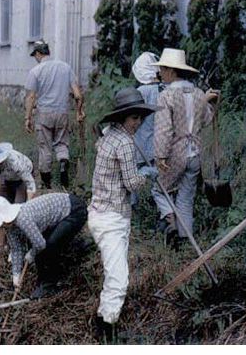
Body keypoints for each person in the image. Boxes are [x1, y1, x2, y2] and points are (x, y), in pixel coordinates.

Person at [87, 88, 156, 340]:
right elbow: (132, 183)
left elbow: (99, 142)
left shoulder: (108, 134)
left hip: (99, 211)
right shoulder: (125, 143)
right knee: (119, 278)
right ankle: (106, 330)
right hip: (111, 217)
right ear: (121, 118)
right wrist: (148, 176)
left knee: (114, 272)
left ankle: (104, 320)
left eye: (140, 118)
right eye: (133, 118)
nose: (137, 123)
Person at [151, 48, 218, 245]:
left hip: (175, 153)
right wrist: (211, 103)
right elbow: (206, 119)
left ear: (171, 71)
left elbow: (164, 129)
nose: (160, 73)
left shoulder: (166, 96)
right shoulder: (198, 94)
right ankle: (185, 238)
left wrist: (160, 155)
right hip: (195, 153)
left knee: (159, 189)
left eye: (162, 69)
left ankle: (170, 219)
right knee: (186, 198)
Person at [0, 193, 87, 299]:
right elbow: (16, 249)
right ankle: (42, 281)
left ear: (5, 218)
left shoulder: (23, 218)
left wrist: (31, 255)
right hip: (60, 216)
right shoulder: (9, 227)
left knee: (49, 247)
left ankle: (49, 286)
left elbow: (40, 244)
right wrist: (16, 274)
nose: (0, 227)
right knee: (39, 247)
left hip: (74, 211)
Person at [24, 40, 85, 189]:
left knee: (45, 148)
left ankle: (47, 184)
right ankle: (63, 163)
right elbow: (77, 94)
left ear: (39, 54)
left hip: (44, 113)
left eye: (35, 56)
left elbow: (31, 96)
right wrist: (79, 111)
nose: (35, 59)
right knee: (61, 143)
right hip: (62, 112)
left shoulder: (36, 71)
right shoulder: (65, 67)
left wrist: (28, 118)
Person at [0, 141, 37, 251]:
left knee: (17, 210)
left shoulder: (15, 161)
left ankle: (20, 244)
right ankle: (1, 244)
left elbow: (30, 184)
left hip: (22, 179)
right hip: (7, 179)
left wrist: (27, 204)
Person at [130, 52, 164, 224]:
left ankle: (135, 217)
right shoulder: (164, 90)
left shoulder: (140, 92)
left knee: (133, 180)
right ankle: (162, 216)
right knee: (159, 183)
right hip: (159, 144)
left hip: (140, 144)